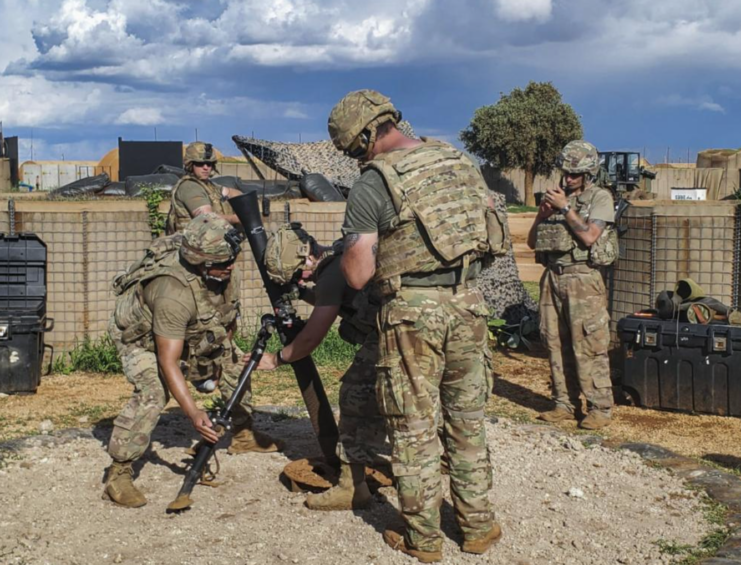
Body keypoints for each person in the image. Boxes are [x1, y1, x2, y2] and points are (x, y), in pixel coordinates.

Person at [329, 89, 500, 563]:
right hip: (469, 304)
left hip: (412, 316)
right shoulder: (458, 161)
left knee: (413, 429)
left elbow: (359, 274)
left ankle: (423, 540)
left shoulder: (373, 182)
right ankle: (478, 528)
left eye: (352, 148)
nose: (354, 156)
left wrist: (346, 253)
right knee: (467, 425)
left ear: (363, 135)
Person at [103, 214, 282, 509]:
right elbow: (168, 361)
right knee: (154, 390)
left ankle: (243, 433)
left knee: (237, 362)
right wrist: (194, 412)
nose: (233, 266)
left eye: (232, 260)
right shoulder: (172, 294)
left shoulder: (222, 269)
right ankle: (118, 473)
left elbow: (226, 315)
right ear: (204, 264)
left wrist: (221, 356)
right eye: (225, 263)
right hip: (143, 341)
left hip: (193, 331)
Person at [246, 222, 388, 511]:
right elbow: (330, 300)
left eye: (300, 273)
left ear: (308, 255)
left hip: (388, 335)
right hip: (413, 326)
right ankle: (445, 459)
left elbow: (312, 336)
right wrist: (300, 292)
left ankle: (352, 487)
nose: (303, 278)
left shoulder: (332, 272)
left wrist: (276, 358)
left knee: (355, 399)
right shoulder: (337, 259)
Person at [527, 140, 616, 430]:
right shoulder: (555, 199)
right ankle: (563, 403)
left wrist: (565, 208)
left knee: (588, 342)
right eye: (565, 172)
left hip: (582, 279)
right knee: (553, 341)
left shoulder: (599, 198)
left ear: (588, 173)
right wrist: (542, 215)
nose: (567, 178)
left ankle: (599, 407)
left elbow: (590, 237)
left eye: (574, 174)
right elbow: (531, 242)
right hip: (553, 276)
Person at [166, 141, 242, 235]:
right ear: (190, 165)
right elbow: (206, 218)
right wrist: (234, 218)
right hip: (193, 246)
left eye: (209, 164)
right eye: (200, 164)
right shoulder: (189, 187)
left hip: (210, 245)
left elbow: (230, 192)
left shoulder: (209, 185)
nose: (205, 167)